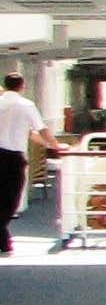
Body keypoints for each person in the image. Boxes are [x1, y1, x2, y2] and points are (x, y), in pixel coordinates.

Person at [0, 72, 59, 254]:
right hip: (13, 158)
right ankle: (3, 239)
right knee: (11, 199)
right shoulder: (26, 105)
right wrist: (55, 145)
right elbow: (40, 130)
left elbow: (30, 134)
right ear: (22, 86)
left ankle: (3, 241)